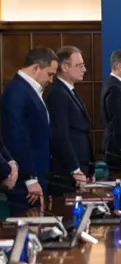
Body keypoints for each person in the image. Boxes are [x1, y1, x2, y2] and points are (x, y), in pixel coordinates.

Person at [1, 47, 57, 213]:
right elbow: (16, 137)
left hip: (38, 176)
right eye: (50, 74)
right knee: (29, 223)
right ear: (36, 68)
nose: (52, 80)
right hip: (26, 181)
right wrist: (30, 178)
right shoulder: (17, 92)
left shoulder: (30, 90)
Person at [47, 46, 94, 196]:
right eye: (79, 66)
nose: (84, 69)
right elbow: (61, 135)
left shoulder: (70, 91)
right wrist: (75, 169)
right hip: (68, 172)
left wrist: (89, 168)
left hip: (81, 168)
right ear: (65, 67)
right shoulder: (58, 94)